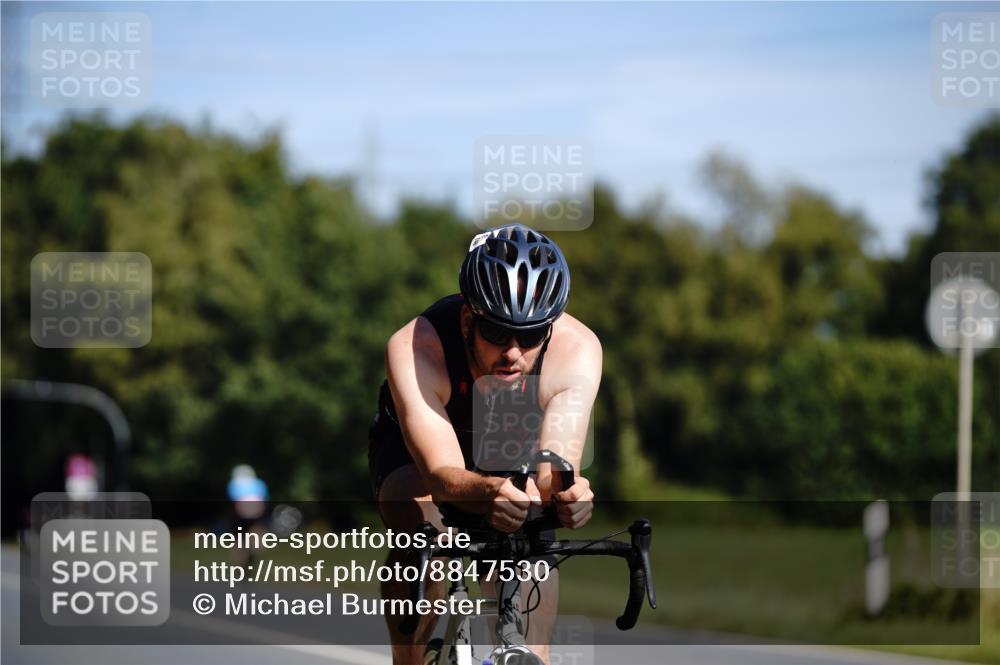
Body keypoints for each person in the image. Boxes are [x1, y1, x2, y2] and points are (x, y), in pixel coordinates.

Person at [369, 224, 600, 665]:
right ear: (467, 321)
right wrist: (489, 490)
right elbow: (440, 476)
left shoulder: (578, 349)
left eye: (530, 336)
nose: (512, 352)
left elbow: (552, 468)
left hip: (510, 448)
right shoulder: (417, 347)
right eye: (496, 332)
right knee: (426, 534)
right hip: (420, 454)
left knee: (529, 551)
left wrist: (568, 494)